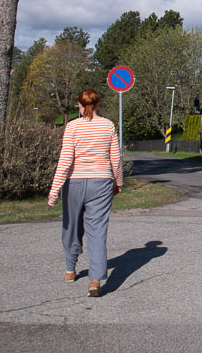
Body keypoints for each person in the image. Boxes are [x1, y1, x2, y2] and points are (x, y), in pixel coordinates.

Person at [47, 89, 123, 298]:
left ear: (80, 105)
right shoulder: (108, 125)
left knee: (71, 224)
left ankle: (70, 269)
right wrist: (118, 182)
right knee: (97, 229)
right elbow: (115, 159)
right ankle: (95, 280)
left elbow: (65, 161)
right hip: (102, 183)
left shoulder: (72, 127)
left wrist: (54, 191)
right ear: (97, 105)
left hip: (74, 183)